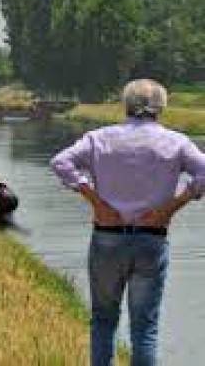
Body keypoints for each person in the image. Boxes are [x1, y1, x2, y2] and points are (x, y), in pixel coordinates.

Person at [50, 79, 205, 366]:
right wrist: (172, 206)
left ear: (126, 105)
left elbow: (60, 162)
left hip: (107, 236)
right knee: (145, 328)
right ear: (162, 107)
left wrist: (96, 201)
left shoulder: (99, 138)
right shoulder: (176, 142)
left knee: (103, 321)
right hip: (151, 238)